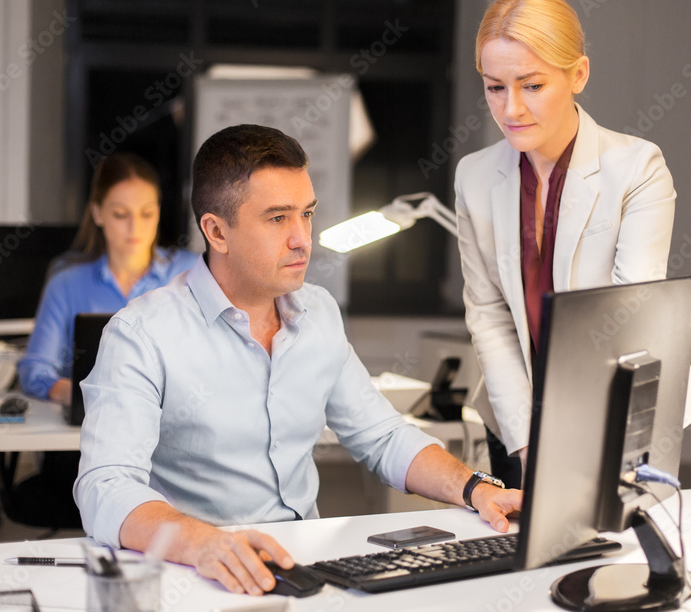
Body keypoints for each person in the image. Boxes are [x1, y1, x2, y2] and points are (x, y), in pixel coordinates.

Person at [74, 124, 522, 596]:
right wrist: (204, 543)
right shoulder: (141, 334)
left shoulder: (319, 313)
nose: (302, 239)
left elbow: (383, 437)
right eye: (277, 219)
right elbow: (105, 485)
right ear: (216, 231)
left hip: (304, 567)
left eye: (306, 214)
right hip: (198, 574)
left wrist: (477, 487)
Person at [455, 0, 691, 489]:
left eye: (531, 85)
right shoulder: (475, 177)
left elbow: (628, 315)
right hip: (516, 414)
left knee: (620, 561)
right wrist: (528, 444)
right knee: (519, 560)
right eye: (494, 88)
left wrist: (570, 453)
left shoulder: (637, 167)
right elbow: (489, 316)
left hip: (617, 407)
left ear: (579, 74)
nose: (511, 108)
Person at [11, 153, 196, 528]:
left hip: (177, 438)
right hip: (89, 440)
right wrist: (76, 392)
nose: (135, 226)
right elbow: (35, 368)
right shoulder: (68, 281)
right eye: (120, 213)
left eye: (146, 213)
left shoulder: (190, 272)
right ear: (97, 214)